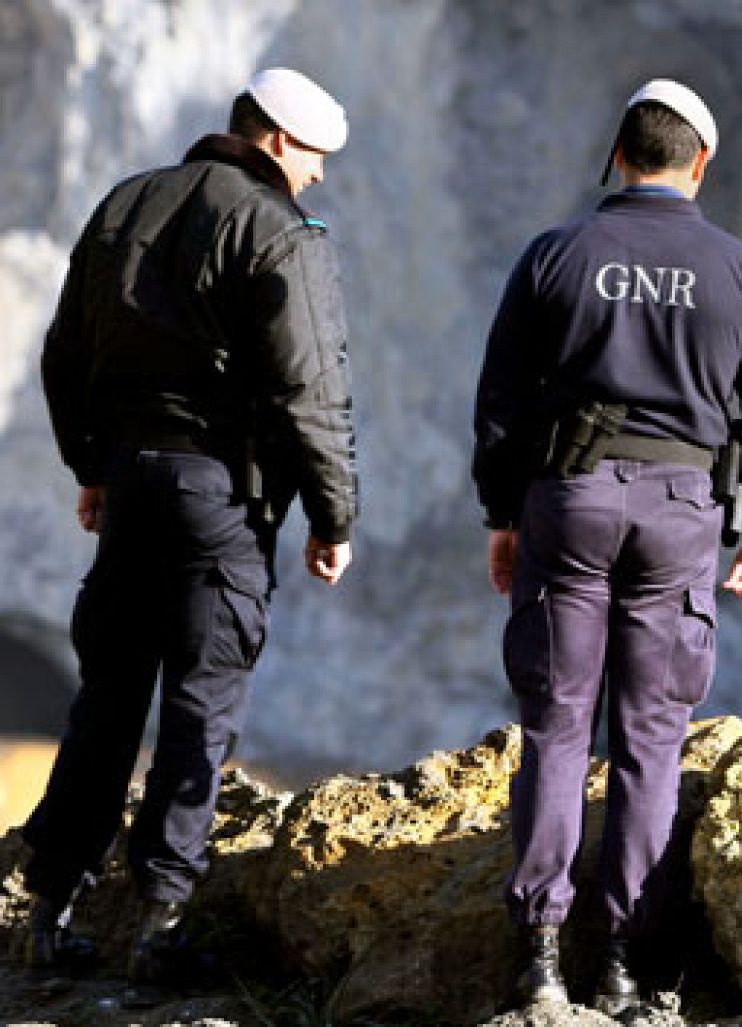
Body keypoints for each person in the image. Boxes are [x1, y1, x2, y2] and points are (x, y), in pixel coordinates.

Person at [23, 67, 359, 992]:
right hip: (223, 497)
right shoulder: (279, 231)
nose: (321, 177)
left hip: (130, 482)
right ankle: (160, 927)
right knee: (199, 709)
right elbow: (312, 390)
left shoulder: (129, 202)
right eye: (318, 158)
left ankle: (50, 913)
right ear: (280, 142)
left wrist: (91, 465)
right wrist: (335, 515)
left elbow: (63, 352)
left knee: (106, 701)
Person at [472, 78, 742, 1012]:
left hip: (567, 504)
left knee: (557, 727)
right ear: (702, 164)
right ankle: (621, 957)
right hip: (682, 512)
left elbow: (499, 404)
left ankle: (538, 951)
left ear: (617, 154)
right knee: (653, 737)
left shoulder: (556, 256)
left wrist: (505, 515)